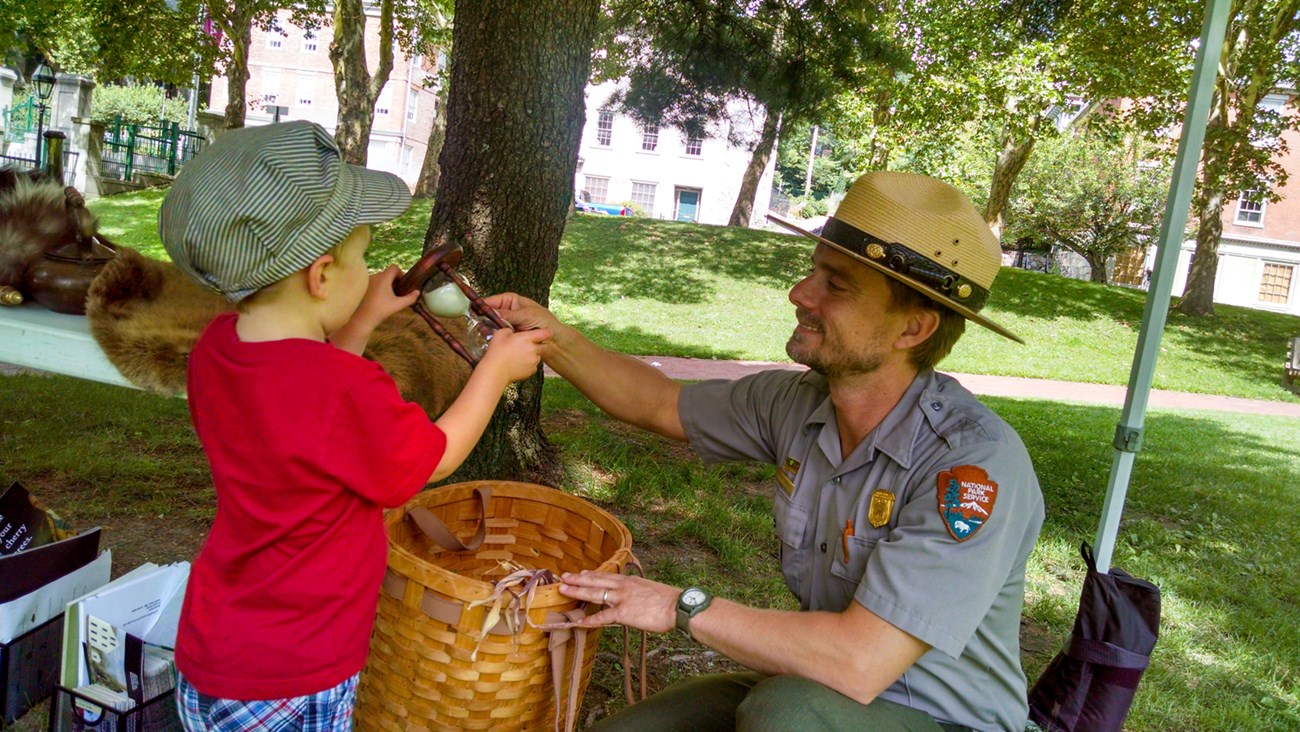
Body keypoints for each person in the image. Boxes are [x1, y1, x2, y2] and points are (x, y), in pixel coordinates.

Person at [487, 171, 1045, 732]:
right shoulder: (797, 402)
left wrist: (680, 606)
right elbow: (657, 402)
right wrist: (551, 337)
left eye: (837, 284)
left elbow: (861, 660)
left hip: (938, 718)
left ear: (914, 328)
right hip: (816, 682)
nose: (800, 294)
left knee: (787, 717)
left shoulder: (971, 466)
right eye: (813, 271)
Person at [158, 121, 549, 731]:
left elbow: (302, 405)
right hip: (295, 671)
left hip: (217, 646)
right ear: (320, 276)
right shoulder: (345, 390)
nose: (368, 270)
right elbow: (435, 456)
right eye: (362, 257)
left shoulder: (218, 350)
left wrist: (362, 319)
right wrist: (495, 372)